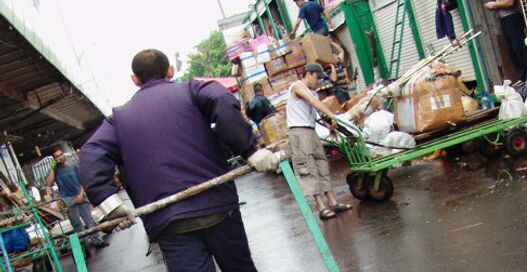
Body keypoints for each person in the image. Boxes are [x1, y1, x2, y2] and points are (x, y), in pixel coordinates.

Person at [79, 49, 281, 272]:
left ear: (135, 80)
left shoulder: (120, 118)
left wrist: (110, 203)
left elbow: (91, 152)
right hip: (218, 208)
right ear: (170, 70)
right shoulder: (191, 90)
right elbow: (221, 99)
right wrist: (249, 150)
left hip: (169, 222)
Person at [287, 63, 352, 220]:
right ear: (308, 74)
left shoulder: (312, 92)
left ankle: (332, 201)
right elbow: (313, 102)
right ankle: (320, 206)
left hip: (311, 131)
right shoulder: (297, 86)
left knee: (322, 164)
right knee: (308, 168)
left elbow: (317, 111)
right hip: (299, 132)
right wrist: (332, 115)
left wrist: (331, 123)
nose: (318, 82)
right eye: (317, 78)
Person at [46, 149, 109, 249]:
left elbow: (82, 179)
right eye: (56, 157)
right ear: (54, 159)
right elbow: (49, 183)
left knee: (89, 220)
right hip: (68, 199)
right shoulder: (55, 170)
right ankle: (84, 246)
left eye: (60, 155)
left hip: (80, 195)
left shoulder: (72, 165)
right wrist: (52, 168)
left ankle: (97, 241)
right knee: (76, 224)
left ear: (63, 154)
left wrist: (81, 194)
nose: (59, 158)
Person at [484, 0, 527, 82]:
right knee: (513, 51)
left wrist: (495, 4)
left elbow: (510, 1)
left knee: (519, 48)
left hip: (512, 20)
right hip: (506, 21)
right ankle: (523, 77)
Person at [326, 40, 351, 105]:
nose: (336, 55)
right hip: (339, 92)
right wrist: (332, 66)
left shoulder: (339, 63)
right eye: (334, 54)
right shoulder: (328, 68)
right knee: (345, 107)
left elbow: (342, 51)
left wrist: (331, 42)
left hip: (345, 89)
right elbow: (334, 79)